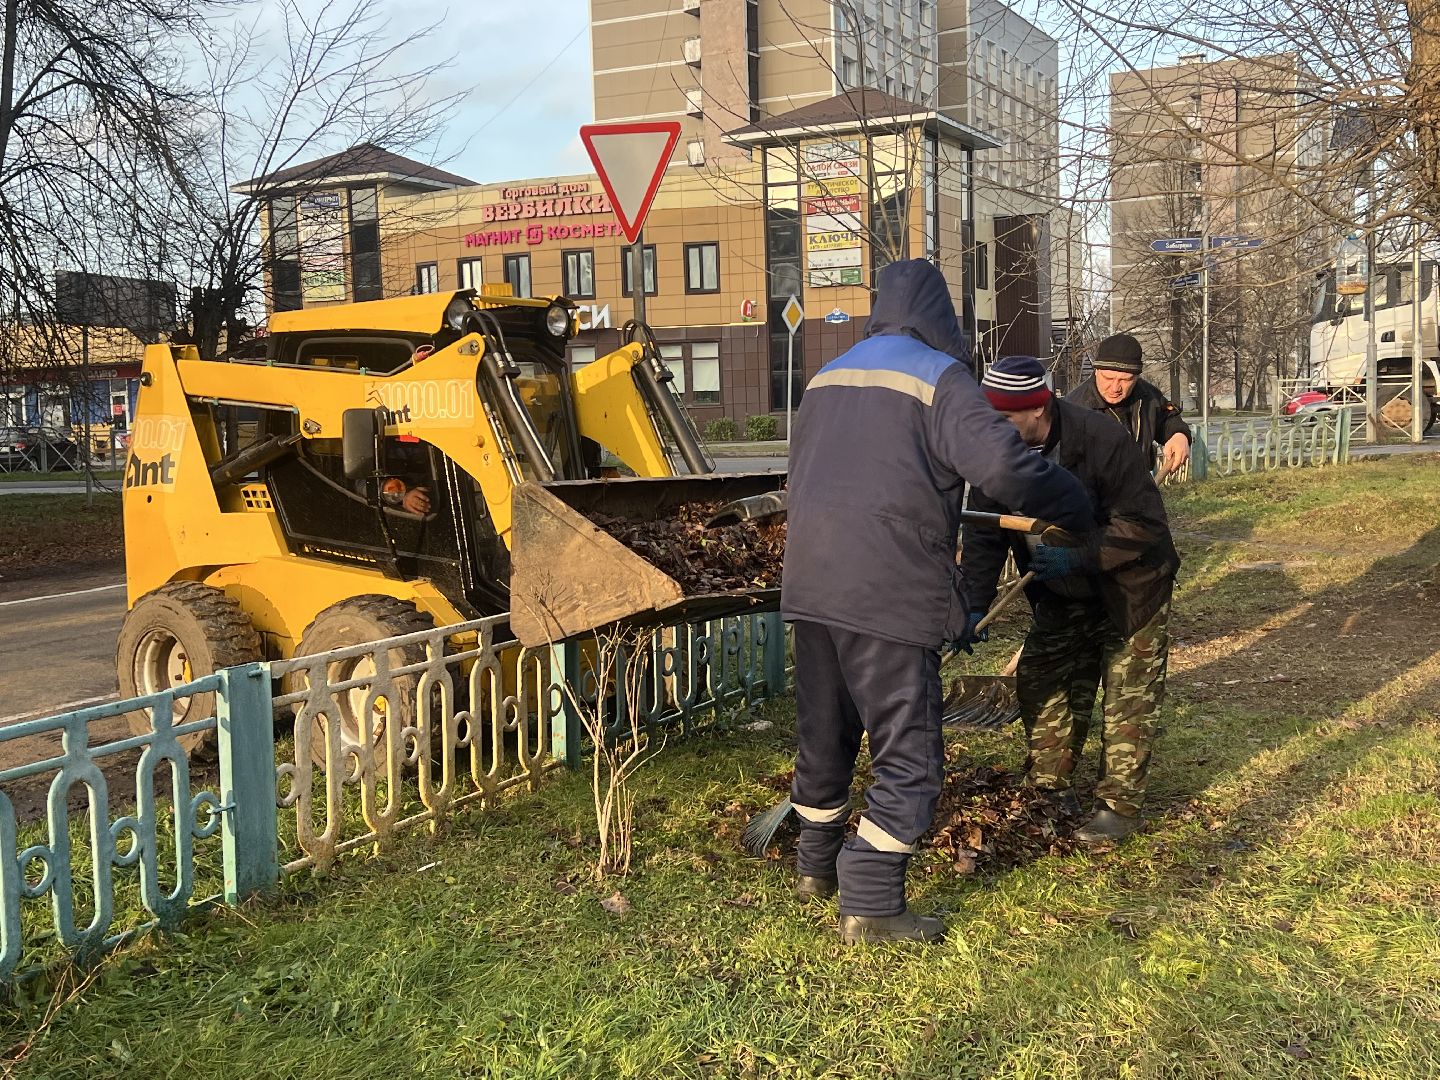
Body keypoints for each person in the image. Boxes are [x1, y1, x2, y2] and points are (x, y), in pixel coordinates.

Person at [781, 261, 1094, 944]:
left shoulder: (827, 377)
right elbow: (1005, 468)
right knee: (909, 747)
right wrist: (1073, 504)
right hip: (885, 588)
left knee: (825, 730)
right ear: (939, 316)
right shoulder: (937, 377)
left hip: (809, 582)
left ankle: (815, 867)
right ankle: (869, 902)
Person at [961, 355, 1180, 845]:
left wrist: (1080, 555)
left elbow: (1143, 523)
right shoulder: (995, 451)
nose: (992, 428)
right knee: (1044, 681)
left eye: (1003, 418)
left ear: (1038, 409)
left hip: (1130, 588)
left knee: (1128, 695)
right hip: (1059, 589)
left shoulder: (1100, 439)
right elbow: (984, 533)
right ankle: (1049, 788)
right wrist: (974, 602)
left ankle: (1117, 807)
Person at [1067, 333, 1192, 475]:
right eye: (1108, 378)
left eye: (1125, 380)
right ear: (1096, 371)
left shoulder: (1147, 395)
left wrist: (1179, 435)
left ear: (1137, 377)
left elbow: (1167, 419)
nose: (1115, 388)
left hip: (1141, 490)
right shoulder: (1072, 410)